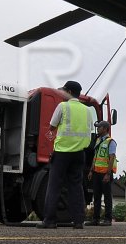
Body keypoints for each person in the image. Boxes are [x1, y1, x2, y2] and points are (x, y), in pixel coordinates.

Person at [39, 80, 95, 229]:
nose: (62, 93)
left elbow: (52, 126)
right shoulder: (87, 111)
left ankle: (50, 220)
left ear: (69, 92)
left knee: (54, 186)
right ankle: (78, 221)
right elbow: (89, 130)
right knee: (76, 187)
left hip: (63, 152)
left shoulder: (63, 106)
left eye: (64, 90)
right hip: (79, 154)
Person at [87, 120, 117, 226]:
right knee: (97, 196)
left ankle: (108, 219)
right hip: (96, 173)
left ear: (105, 129)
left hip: (105, 174)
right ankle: (95, 219)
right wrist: (91, 170)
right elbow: (95, 157)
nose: (97, 129)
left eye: (99, 127)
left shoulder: (111, 141)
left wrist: (108, 174)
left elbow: (112, 157)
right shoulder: (98, 140)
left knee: (107, 197)